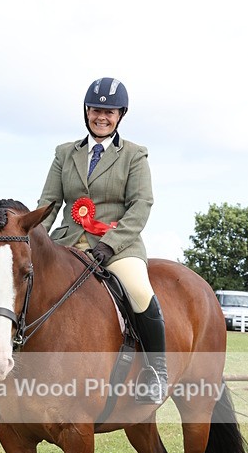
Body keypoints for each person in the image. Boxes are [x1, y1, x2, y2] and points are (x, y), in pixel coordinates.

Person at [37, 76, 167, 404]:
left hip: (117, 247)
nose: (101, 117)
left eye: (109, 112)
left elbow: (141, 205)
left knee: (139, 291)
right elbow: (49, 203)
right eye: (96, 110)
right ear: (86, 111)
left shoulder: (134, 155)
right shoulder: (65, 153)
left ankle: (156, 372)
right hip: (67, 242)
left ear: (120, 115)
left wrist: (110, 243)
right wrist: (35, 239)